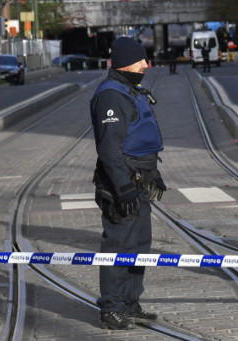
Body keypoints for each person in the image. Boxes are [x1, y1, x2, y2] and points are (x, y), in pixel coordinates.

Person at [91, 37, 166, 330]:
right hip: (121, 185)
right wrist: (122, 187)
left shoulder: (129, 90)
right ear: (125, 62)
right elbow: (109, 149)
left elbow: (140, 139)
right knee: (118, 245)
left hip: (140, 181)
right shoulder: (111, 96)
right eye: (141, 61)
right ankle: (112, 308)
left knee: (138, 245)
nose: (146, 65)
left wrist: (153, 174)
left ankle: (130, 303)